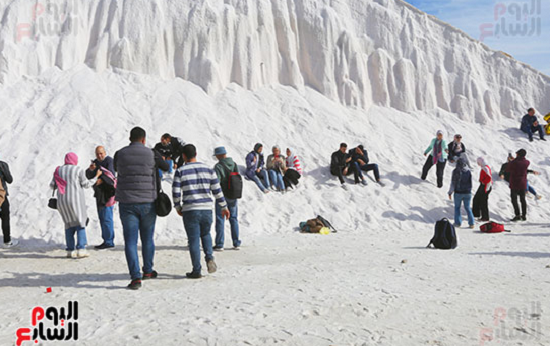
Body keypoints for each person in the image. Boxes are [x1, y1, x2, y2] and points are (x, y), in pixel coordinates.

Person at [114, 127, 170, 290]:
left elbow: (116, 168)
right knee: (147, 238)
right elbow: (166, 167)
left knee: (130, 241)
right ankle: (148, 270)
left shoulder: (120, 153)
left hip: (127, 203)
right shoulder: (152, 154)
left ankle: (135, 277)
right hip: (148, 202)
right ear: (144, 139)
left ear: (130, 138)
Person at [172, 144, 229, 279]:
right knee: (206, 234)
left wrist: (177, 206)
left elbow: (175, 192)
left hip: (190, 210)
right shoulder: (208, 169)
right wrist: (224, 206)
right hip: (206, 209)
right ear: (196, 153)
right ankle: (209, 258)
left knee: (193, 240)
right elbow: (217, 190)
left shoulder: (181, 171)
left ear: (184, 156)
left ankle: (196, 270)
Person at [50, 153, 100, 259]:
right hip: (76, 201)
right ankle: (81, 249)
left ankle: (70, 250)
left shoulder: (58, 170)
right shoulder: (78, 170)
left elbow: (52, 185)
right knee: (80, 223)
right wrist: (96, 177)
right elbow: (86, 184)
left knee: (68, 224)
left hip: (62, 202)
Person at [85, 146, 116, 249]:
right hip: (99, 194)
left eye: (101, 153)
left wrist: (101, 179)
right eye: (98, 154)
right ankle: (106, 239)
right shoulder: (95, 162)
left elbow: (111, 175)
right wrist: (90, 169)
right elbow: (88, 176)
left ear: (105, 152)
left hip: (108, 194)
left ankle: (109, 241)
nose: (99, 155)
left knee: (107, 217)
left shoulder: (109, 161)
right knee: (102, 217)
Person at [212, 146, 241, 251]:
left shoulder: (218, 166)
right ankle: (236, 242)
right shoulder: (234, 164)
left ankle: (220, 244)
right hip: (233, 194)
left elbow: (217, 182)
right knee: (233, 218)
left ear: (219, 155)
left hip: (222, 195)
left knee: (220, 219)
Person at [448, 157, 475, 229]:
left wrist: (450, 192)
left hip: (458, 193)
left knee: (457, 208)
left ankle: (458, 223)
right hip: (468, 193)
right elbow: (470, 182)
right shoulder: (468, 171)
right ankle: (471, 223)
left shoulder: (455, 171)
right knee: (468, 208)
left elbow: (453, 183)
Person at [506, 149, 530, 221]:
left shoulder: (514, 162)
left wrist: (510, 161)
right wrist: (514, 160)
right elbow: (520, 163)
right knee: (523, 199)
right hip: (523, 183)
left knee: (514, 199)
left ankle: (517, 215)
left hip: (514, 183)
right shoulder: (527, 162)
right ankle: (524, 215)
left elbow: (508, 169)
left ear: (518, 154)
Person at [0, 158, 17, 248]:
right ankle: (7, 241)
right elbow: (9, 180)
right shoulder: (2, 165)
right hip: (1, 196)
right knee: (5, 218)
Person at [472, 157, 492, 222]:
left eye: (478, 162)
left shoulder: (485, 168)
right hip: (484, 185)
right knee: (477, 199)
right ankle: (476, 214)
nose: (478, 164)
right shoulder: (485, 167)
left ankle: (485, 217)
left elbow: (489, 178)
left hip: (485, 186)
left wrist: (483, 181)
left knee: (483, 202)